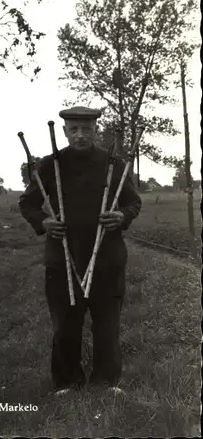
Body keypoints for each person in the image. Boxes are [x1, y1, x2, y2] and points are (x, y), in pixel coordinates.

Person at [18, 106, 142, 396]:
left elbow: (133, 202)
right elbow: (28, 204)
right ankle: (66, 382)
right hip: (62, 258)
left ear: (96, 130)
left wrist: (123, 216)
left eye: (87, 129)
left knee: (107, 324)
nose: (80, 135)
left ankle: (106, 382)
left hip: (107, 258)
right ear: (64, 131)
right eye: (73, 129)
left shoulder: (114, 164)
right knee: (65, 325)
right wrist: (44, 222)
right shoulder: (51, 165)